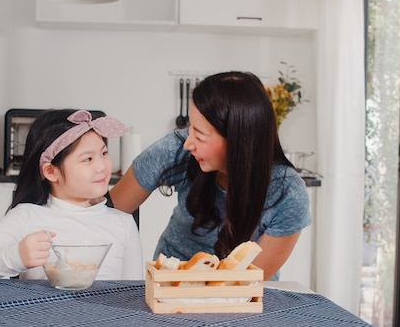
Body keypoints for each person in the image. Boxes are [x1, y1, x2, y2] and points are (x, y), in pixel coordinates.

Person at [109, 71, 311, 281]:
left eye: (201, 134)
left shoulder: (288, 192)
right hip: (171, 283)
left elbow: (247, 284)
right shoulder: (177, 148)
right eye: (190, 128)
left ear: (238, 142)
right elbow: (111, 213)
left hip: (242, 296)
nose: (188, 142)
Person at [0, 109, 143, 283]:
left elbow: (131, 294)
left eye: (103, 153)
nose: (102, 166)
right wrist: (16, 256)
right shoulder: (27, 216)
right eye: (88, 159)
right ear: (51, 171)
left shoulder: (123, 224)